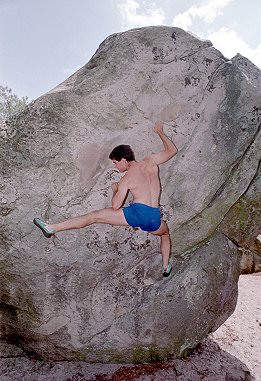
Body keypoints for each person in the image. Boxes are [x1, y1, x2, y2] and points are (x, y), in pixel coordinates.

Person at [34, 121, 178, 277]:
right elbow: (172, 150)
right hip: (154, 217)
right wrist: (159, 132)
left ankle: (52, 228)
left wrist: (115, 190)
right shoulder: (151, 161)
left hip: (137, 214)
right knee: (164, 234)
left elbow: (116, 206)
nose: (116, 167)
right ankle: (165, 266)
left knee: (94, 216)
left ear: (124, 160)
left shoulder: (127, 179)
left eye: (115, 163)